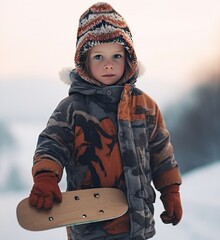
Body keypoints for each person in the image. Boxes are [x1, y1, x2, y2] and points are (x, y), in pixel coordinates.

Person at [28, 2, 182, 239]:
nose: (108, 64)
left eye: (116, 55)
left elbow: (161, 152)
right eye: (98, 56)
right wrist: (46, 176)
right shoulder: (73, 109)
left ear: (128, 59)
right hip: (90, 226)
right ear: (84, 62)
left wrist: (170, 190)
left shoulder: (145, 106)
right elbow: (51, 144)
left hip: (137, 224)